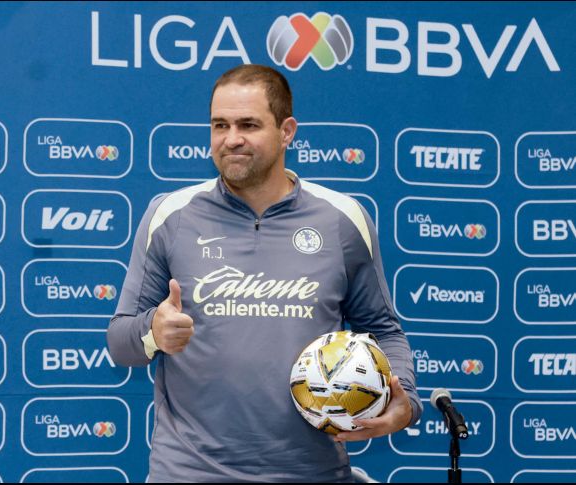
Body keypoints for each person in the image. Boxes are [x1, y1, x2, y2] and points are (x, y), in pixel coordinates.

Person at [108, 64, 422, 482]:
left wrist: (405, 399)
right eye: (219, 125)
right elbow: (119, 343)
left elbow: (382, 329)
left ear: (287, 130)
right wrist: (153, 332)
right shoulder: (170, 215)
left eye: (248, 124)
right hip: (190, 473)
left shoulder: (342, 219)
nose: (230, 139)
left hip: (312, 472)